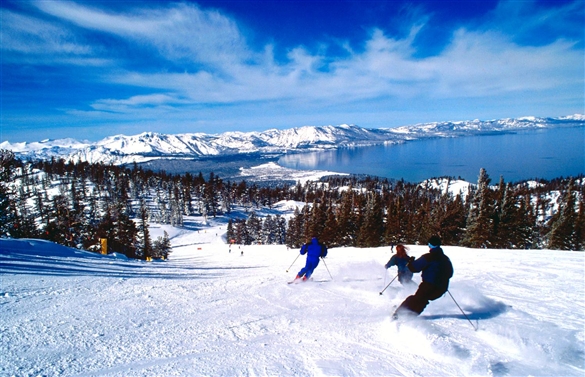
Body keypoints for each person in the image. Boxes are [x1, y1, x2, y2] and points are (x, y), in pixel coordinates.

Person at [393, 235, 453, 319]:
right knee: (423, 300)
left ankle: (398, 314)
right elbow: (450, 273)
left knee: (415, 299)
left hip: (429, 285)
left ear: (430, 245)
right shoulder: (446, 259)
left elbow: (414, 268)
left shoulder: (428, 257)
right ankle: (411, 316)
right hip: (442, 288)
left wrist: (410, 263)